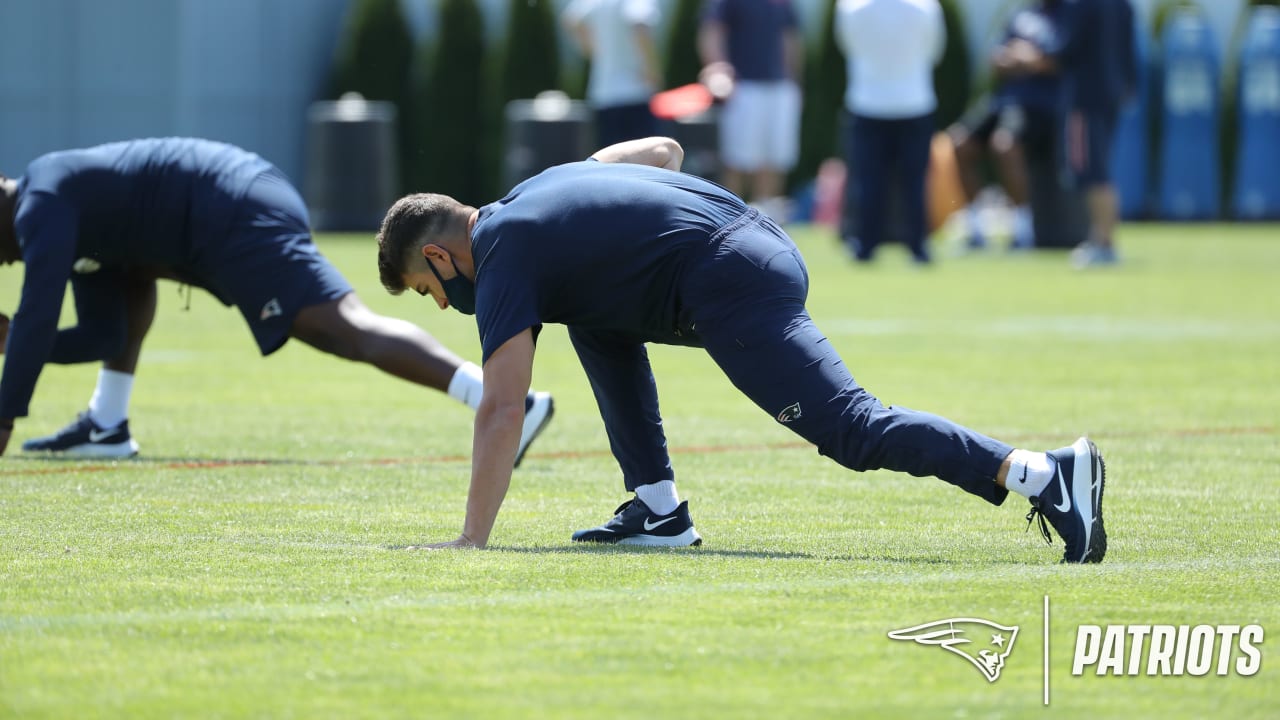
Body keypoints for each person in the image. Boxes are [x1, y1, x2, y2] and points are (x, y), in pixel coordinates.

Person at [374, 136, 1108, 564]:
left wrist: (471, 540)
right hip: (743, 245)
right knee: (595, 316)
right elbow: (663, 149)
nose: (438, 304)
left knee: (850, 429)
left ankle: (1043, 474)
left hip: (732, 277)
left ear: (439, 257)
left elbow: (503, 407)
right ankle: (659, 511)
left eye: (424, 289)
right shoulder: (536, 194)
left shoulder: (503, 253)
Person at [0, 137, 554, 460]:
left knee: (342, 328)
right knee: (126, 278)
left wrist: (5, 414)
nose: (4, 262)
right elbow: (104, 333)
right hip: (225, 201)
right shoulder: (72, 217)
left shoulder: (44, 203)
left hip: (232, 205)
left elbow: (36, 312)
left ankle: (506, 401)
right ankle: (106, 423)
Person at [947, 0, 1066, 251]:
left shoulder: (1065, 14)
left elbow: (1058, 60)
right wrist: (1023, 59)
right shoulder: (1020, 15)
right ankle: (976, 226)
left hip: (1039, 105)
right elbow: (997, 58)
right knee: (959, 142)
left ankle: (1022, 228)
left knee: (1005, 145)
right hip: (1003, 101)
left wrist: (1031, 60)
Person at [835, 0, 945, 264]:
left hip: (868, 100)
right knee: (914, 179)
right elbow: (934, 51)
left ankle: (866, 245)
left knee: (869, 179)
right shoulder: (926, 7)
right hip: (914, 100)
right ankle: (918, 246)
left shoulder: (850, 7)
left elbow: (848, 46)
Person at [1047, 0, 1137, 267]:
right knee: (1100, 168)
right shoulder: (1121, 4)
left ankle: (1103, 242)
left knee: (1093, 171)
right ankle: (1100, 238)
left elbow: (1065, 48)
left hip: (1084, 97)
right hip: (1112, 95)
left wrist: (1031, 54)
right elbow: (1129, 50)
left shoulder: (1080, 4)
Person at [697, 0, 803, 223]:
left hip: (780, 88)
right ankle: (725, 219)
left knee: (774, 159)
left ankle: (768, 222)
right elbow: (712, 32)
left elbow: (789, 38)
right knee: (736, 160)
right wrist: (718, 72)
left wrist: (794, 80)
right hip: (742, 88)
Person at [561, 0, 662, 148]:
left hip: (603, 97)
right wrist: (652, 71)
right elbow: (639, 26)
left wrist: (595, 52)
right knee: (644, 165)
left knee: (609, 164)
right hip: (635, 95)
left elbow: (570, 21)